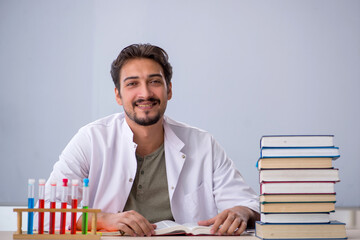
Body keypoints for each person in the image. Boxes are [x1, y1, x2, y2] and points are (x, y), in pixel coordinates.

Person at [42, 43, 259, 237]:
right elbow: (48, 211)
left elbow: (247, 204)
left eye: (154, 81)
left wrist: (242, 211)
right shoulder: (91, 139)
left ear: (169, 90)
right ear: (117, 95)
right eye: (132, 84)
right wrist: (103, 219)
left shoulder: (203, 143)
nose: (145, 93)